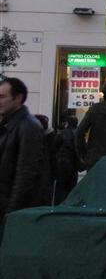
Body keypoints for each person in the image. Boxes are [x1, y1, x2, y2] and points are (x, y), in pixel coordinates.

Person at [0, 77, 50, 242]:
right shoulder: (9, 124)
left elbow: (26, 174)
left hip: (10, 209)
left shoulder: (28, 127)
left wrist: (10, 213)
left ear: (18, 98)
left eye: (2, 97)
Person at [75, 81, 106, 171]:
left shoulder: (95, 109)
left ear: (104, 94)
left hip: (95, 159)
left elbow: (79, 133)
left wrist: (85, 154)